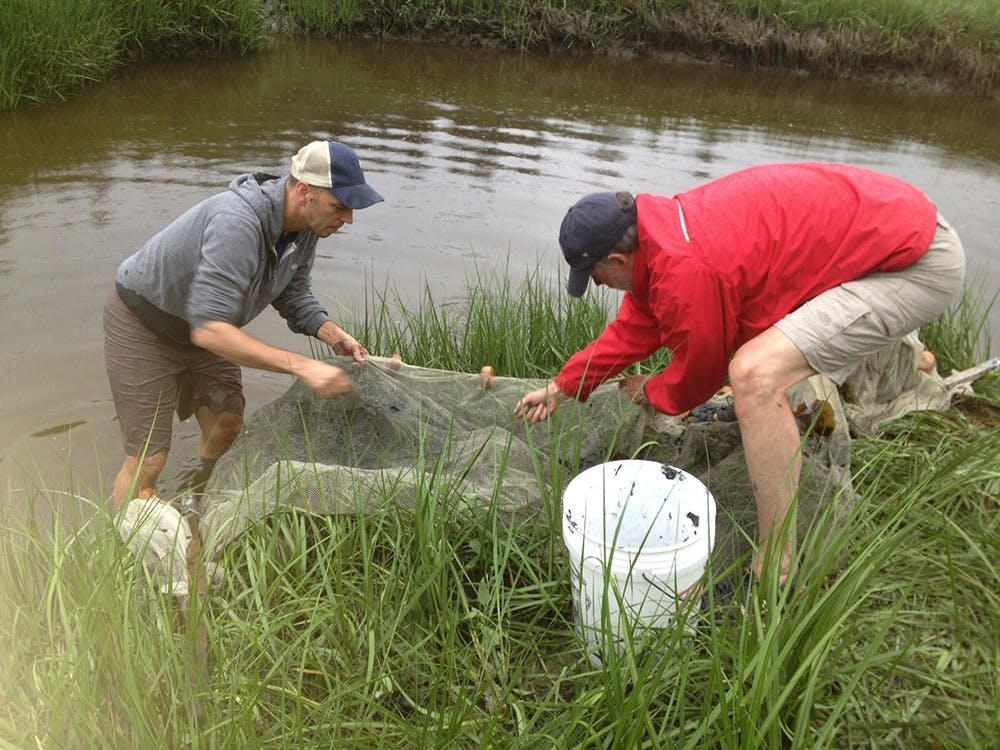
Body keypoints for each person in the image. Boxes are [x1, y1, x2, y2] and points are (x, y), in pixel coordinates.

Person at [514, 162, 966, 584]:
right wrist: (563, 386)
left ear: (616, 259)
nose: (599, 287)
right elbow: (638, 326)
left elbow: (700, 375)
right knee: (762, 359)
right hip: (894, 220)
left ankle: (775, 570)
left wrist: (653, 390)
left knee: (753, 375)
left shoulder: (684, 268)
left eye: (596, 277)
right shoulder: (661, 232)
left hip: (914, 262)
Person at [104, 140, 383, 509]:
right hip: (144, 325)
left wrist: (332, 335)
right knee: (149, 459)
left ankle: (198, 503)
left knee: (228, 425)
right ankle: (118, 550)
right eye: (340, 206)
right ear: (304, 192)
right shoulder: (237, 223)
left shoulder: (306, 228)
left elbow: (292, 293)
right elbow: (211, 330)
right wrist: (304, 367)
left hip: (205, 329)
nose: (348, 218)